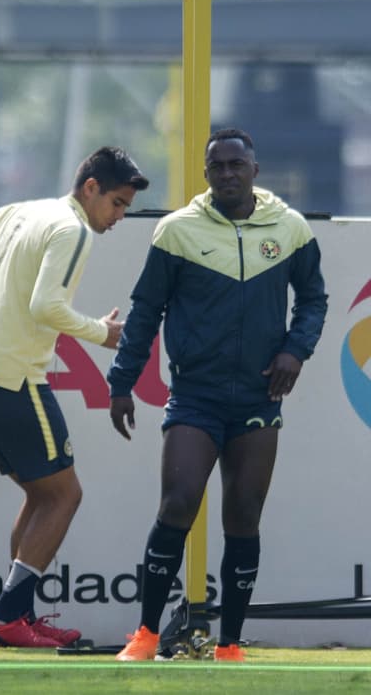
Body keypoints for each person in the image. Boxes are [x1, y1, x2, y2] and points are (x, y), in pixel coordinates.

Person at [109, 128, 326, 663]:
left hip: (258, 400)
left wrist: (296, 350)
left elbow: (315, 300)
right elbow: (144, 312)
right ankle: (146, 635)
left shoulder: (290, 228)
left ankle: (229, 644)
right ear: (205, 175)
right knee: (178, 503)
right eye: (217, 167)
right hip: (195, 396)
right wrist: (121, 381)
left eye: (236, 164)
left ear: (255, 169)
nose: (227, 173)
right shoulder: (176, 231)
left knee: (244, 516)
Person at [0, 146, 150, 648]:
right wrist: (102, 333)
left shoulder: (21, 211)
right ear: (91, 187)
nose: (119, 216)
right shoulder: (72, 228)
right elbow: (46, 305)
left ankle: (21, 619)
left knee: (41, 494)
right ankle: (9, 616)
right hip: (14, 379)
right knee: (65, 495)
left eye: (126, 207)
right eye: (117, 203)